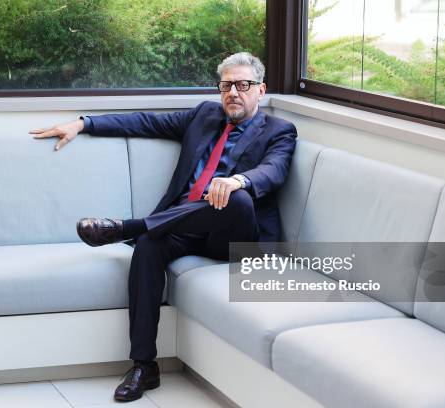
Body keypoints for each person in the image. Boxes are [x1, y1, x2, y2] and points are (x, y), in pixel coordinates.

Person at [30, 52, 297, 403]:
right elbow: (145, 122)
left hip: (235, 238)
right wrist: (84, 123)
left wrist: (239, 180)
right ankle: (144, 365)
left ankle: (130, 227)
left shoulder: (280, 131)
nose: (234, 92)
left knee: (236, 199)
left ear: (260, 90)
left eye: (243, 85)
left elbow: (274, 170)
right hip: (186, 224)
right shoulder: (203, 116)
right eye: (227, 85)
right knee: (149, 248)